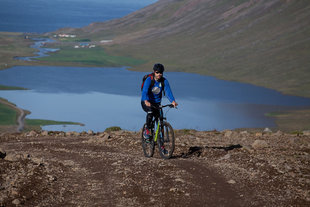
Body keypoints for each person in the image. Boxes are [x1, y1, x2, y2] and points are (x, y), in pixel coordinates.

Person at [141, 63, 178, 139]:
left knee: (160, 121)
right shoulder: (149, 80)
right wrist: (146, 101)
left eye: (161, 72)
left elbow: (168, 92)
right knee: (150, 112)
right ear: (154, 72)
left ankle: (161, 145)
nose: (159, 74)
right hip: (146, 102)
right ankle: (147, 129)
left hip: (157, 103)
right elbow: (144, 91)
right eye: (157, 72)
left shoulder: (164, 81)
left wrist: (173, 101)